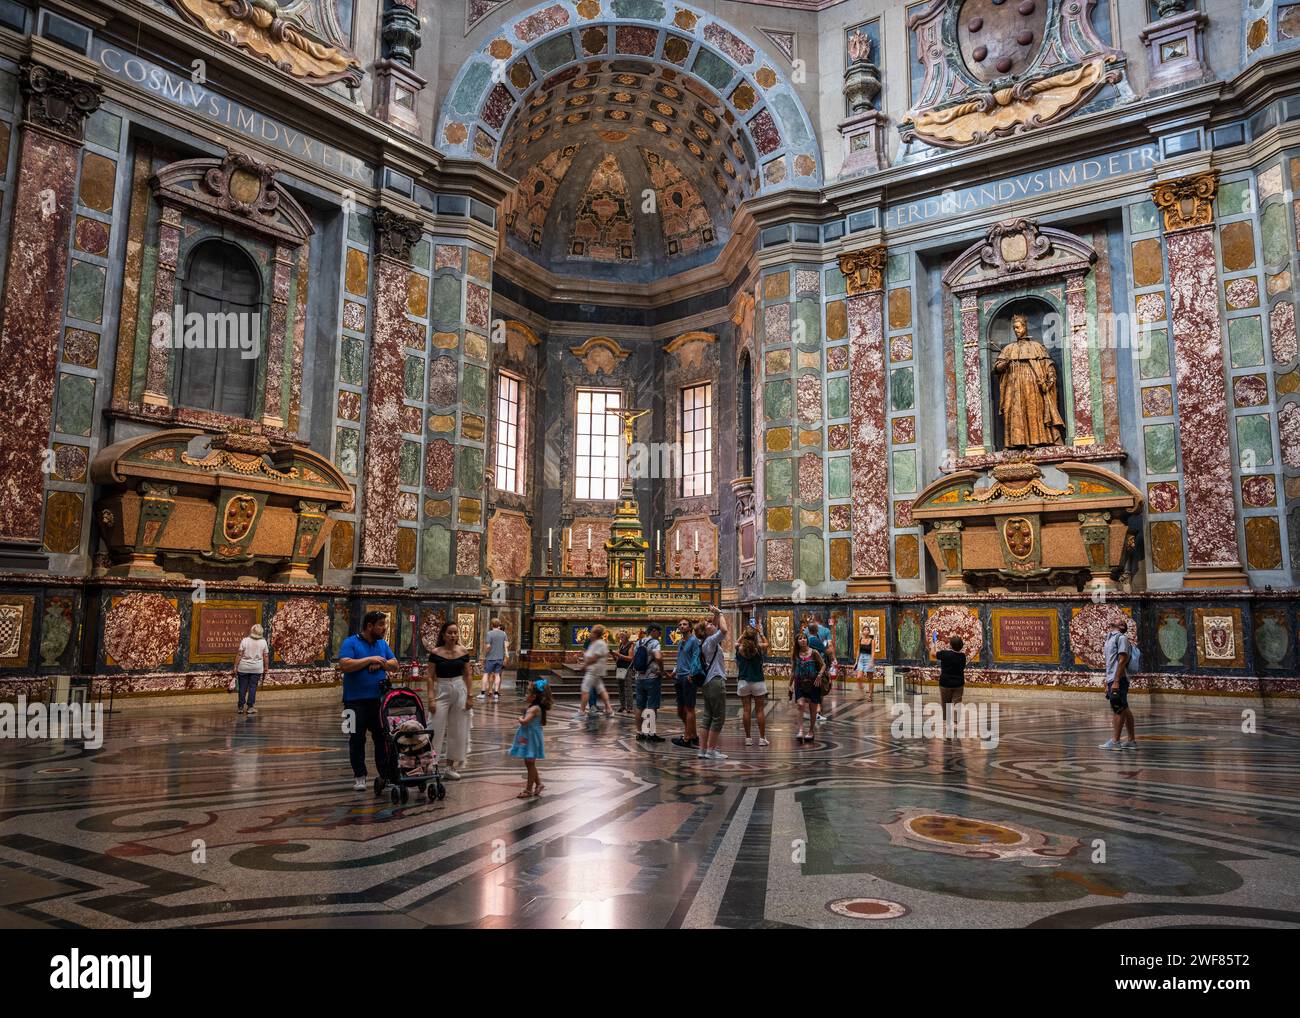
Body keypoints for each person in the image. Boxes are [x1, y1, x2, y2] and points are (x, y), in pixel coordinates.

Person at [338, 611, 400, 791]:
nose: (384, 628)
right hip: (353, 701)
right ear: (369, 626)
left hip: (378, 701)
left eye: (384, 624)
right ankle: (359, 775)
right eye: (381, 624)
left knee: (382, 738)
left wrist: (381, 663)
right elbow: (345, 665)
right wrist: (368, 660)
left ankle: (385, 774)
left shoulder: (382, 643)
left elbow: (394, 664)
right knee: (356, 739)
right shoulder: (351, 642)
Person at [428, 621, 473, 779]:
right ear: (443, 635)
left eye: (455, 633)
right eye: (450, 633)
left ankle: (450, 767)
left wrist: (469, 696)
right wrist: (431, 698)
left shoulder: (463, 651)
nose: (453, 636)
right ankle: (431, 764)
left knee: (458, 729)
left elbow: (467, 675)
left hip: (460, 689)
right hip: (442, 688)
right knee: (435, 728)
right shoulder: (435, 652)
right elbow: (429, 677)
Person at [510, 678, 554, 798]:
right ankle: (539, 784)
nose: (525, 695)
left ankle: (528, 790)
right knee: (529, 762)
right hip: (529, 737)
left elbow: (524, 722)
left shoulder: (534, 708)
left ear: (534, 696)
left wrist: (519, 718)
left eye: (528, 693)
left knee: (530, 763)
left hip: (531, 738)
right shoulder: (534, 707)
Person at [696, 606, 729, 761]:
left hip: (707, 683)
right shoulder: (710, 641)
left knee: (708, 716)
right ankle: (711, 750)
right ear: (705, 631)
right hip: (716, 681)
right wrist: (721, 613)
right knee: (718, 717)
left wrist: (715, 613)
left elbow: (715, 626)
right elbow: (723, 630)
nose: (711, 624)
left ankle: (702, 750)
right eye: (708, 624)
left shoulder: (705, 642)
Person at [1100, 619, 1138, 750]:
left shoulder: (1121, 638)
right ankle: (1131, 740)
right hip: (1113, 677)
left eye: (1119, 621)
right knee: (1125, 708)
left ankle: (1115, 741)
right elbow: (1111, 663)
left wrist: (1115, 681)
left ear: (1121, 626)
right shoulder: (1110, 638)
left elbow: (1122, 660)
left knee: (1118, 708)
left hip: (1119, 678)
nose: (1114, 620)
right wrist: (1108, 681)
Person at [736, 622, 768, 747]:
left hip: (743, 681)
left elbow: (736, 642)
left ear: (745, 636)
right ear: (755, 637)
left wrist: (742, 635)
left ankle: (748, 738)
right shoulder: (758, 648)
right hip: (758, 681)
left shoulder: (739, 648)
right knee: (760, 710)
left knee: (746, 710)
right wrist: (760, 632)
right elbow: (767, 644)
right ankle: (761, 738)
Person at [632, 624, 665, 742]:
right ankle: (650, 733)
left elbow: (633, 658)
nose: (660, 635)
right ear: (654, 631)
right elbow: (658, 657)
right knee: (652, 706)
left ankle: (639, 732)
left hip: (639, 678)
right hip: (651, 678)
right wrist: (661, 670)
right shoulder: (655, 642)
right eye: (659, 632)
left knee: (640, 706)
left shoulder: (638, 643)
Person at [792, 632, 826, 744]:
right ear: (797, 641)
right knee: (800, 705)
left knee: (812, 708)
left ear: (807, 640)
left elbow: (823, 665)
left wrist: (820, 675)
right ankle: (801, 730)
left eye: (804, 638)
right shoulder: (796, 654)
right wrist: (789, 685)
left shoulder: (814, 652)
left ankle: (811, 731)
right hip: (799, 683)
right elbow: (793, 670)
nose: (802, 640)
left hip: (813, 683)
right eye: (800, 638)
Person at [672, 618, 701, 749]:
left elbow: (696, 657)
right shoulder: (680, 642)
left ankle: (687, 738)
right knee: (680, 710)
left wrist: (692, 673)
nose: (682, 626)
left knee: (689, 708)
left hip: (688, 678)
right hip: (679, 676)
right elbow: (680, 658)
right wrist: (674, 671)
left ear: (690, 627)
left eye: (684, 624)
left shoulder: (694, 641)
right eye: (680, 624)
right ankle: (693, 734)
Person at [232, 623, 269, 716]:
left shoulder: (245, 640)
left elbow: (239, 654)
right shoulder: (263, 642)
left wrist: (235, 666)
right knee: (253, 687)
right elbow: (266, 656)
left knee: (242, 688)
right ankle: (250, 707)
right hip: (257, 668)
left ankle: (240, 707)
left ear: (252, 631)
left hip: (243, 668)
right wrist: (266, 667)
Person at [579, 624, 614, 717]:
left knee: (585, 688)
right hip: (594, 669)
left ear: (595, 633)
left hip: (593, 669)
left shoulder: (599, 643)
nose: (591, 634)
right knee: (600, 689)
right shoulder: (595, 643)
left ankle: (581, 711)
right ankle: (609, 709)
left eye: (592, 632)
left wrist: (584, 665)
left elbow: (594, 658)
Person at [936, 636, 966, 736]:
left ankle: (946, 723)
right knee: (957, 703)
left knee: (945, 703)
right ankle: (956, 723)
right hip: (958, 683)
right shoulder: (962, 656)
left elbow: (933, 654)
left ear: (951, 645)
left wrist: (933, 645)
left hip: (945, 683)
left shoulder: (945, 654)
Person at [478, 617, 508, 701]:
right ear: (499, 625)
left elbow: (488, 646)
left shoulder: (489, 633)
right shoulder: (503, 634)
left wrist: (485, 654)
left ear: (491, 625)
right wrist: (505, 657)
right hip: (500, 658)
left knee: (486, 674)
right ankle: (496, 693)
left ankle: (483, 693)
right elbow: (506, 646)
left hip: (490, 658)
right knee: (497, 675)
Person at [613, 631, 634, 713]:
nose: (620, 639)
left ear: (626, 637)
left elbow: (631, 658)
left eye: (622, 637)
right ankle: (622, 706)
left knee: (628, 688)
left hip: (627, 668)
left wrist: (619, 655)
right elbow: (617, 658)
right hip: (620, 668)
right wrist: (614, 655)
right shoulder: (621, 645)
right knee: (620, 687)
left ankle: (630, 707)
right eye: (620, 637)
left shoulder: (631, 645)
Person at [855, 628, 875, 703]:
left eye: (867, 630)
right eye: (864, 630)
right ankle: (862, 691)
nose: (866, 631)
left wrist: (872, 661)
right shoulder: (860, 640)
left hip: (868, 658)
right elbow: (858, 651)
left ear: (869, 632)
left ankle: (870, 695)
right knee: (858, 677)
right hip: (861, 659)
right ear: (862, 631)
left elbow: (873, 652)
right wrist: (856, 661)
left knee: (870, 678)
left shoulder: (872, 640)